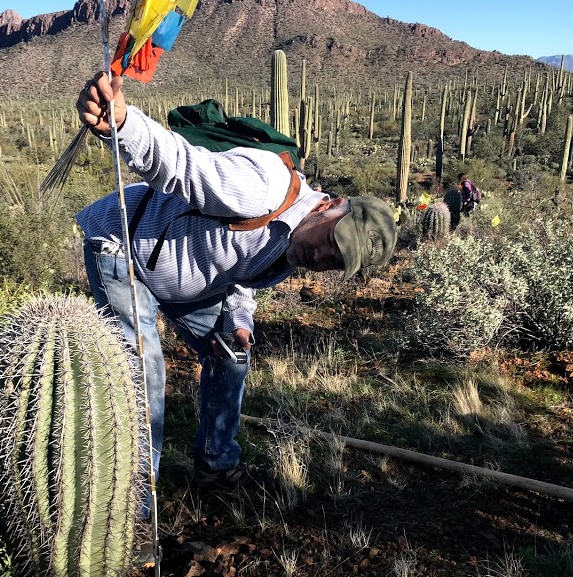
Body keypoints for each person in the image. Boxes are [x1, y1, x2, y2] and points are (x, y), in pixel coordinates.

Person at [75, 72, 397, 500]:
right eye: (331, 242)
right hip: (121, 246)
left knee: (232, 357)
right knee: (143, 369)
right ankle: (134, 509)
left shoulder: (296, 245)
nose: (321, 258)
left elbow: (243, 274)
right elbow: (182, 167)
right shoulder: (262, 186)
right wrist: (122, 123)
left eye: (335, 262)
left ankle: (216, 470)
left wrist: (239, 321)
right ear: (333, 204)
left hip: (184, 281)